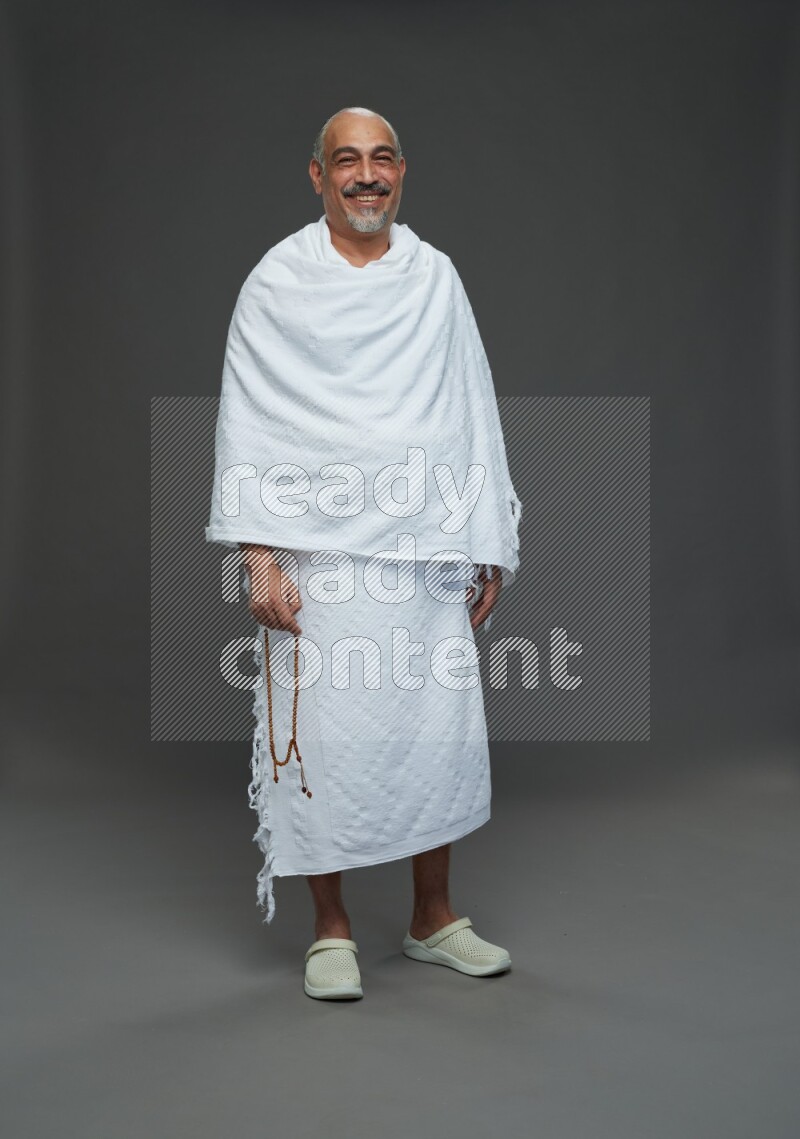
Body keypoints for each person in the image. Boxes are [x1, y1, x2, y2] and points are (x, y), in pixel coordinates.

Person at [205, 106, 522, 1000]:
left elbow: (472, 410)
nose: (366, 175)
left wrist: (486, 540)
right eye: (347, 160)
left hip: (425, 549)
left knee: (432, 731)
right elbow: (249, 423)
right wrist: (258, 555)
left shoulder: (435, 278)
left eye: (382, 159)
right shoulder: (277, 282)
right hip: (316, 557)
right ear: (318, 177)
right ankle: (331, 929)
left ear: (403, 171)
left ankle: (432, 917)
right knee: (327, 740)